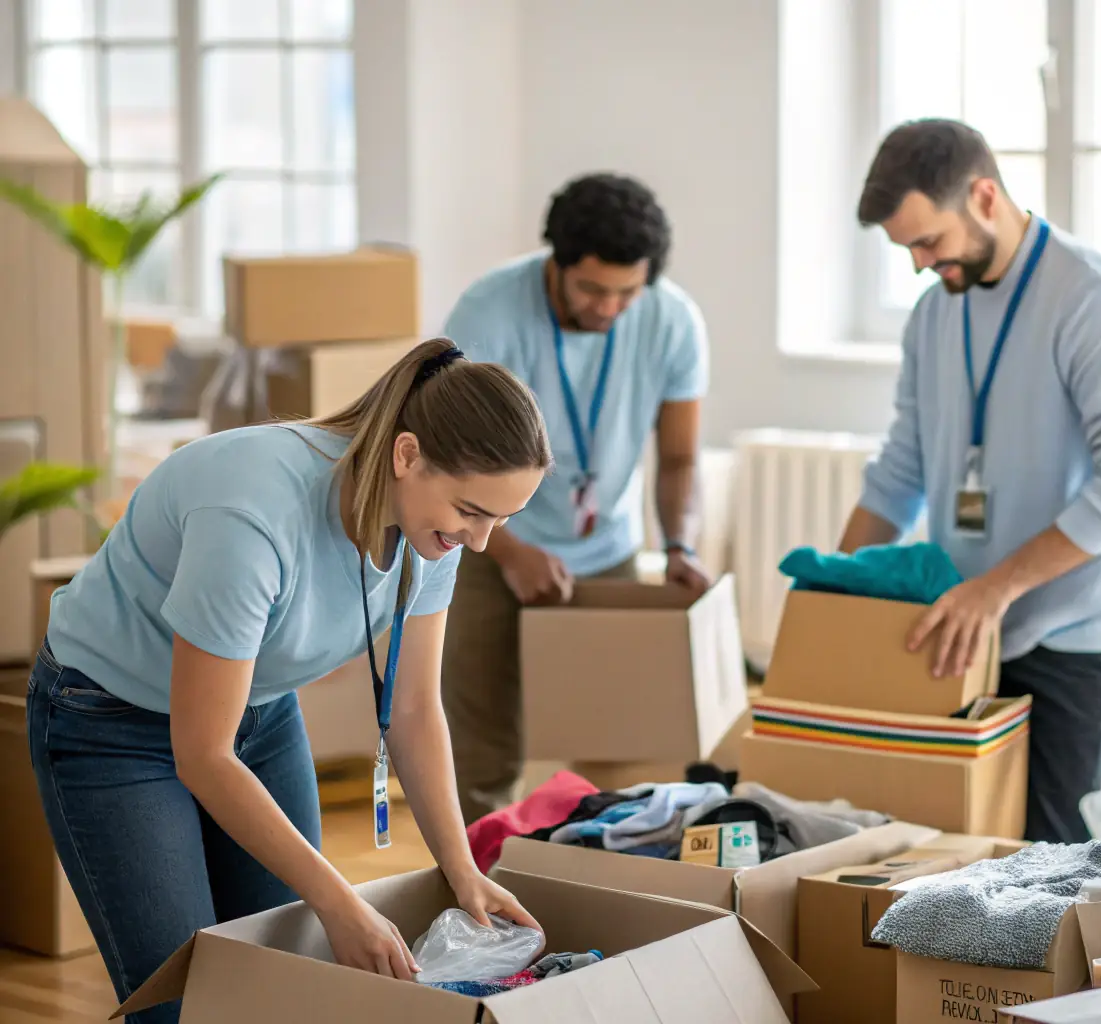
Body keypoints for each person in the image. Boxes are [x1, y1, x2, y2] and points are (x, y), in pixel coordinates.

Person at [27, 340, 552, 1023]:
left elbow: (417, 709)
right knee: (183, 1004)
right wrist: (342, 901)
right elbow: (204, 754)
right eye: (473, 513)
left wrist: (460, 868)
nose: (481, 541)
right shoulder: (252, 514)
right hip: (109, 721)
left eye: (501, 520)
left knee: (283, 980)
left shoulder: (435, 527)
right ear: (406, 456)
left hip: (259, 712)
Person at [840, 119, 1101, 844]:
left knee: (1045, 868)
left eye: (927, 242)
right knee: (951, 853)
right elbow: (901, 466)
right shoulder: (935, 312)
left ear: (984, 196)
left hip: (1070, 635)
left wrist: (995, 590)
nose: (919, 264)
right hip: (958, 632)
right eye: (905, 249)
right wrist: (831, 591)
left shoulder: (1098, 303)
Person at [439, 172, 711, 822]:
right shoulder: (488, 313)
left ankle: (594, 875)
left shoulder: (672, 319)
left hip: (604, 544)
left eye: (626, 291)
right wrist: (510, 550)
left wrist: (679, 543)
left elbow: (678, 458)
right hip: (484, 542)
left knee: (610, 741)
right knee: (480, 743)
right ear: (554, 263)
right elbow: (447, 465)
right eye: (591, 288)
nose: (608, 307)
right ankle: (471, 884)